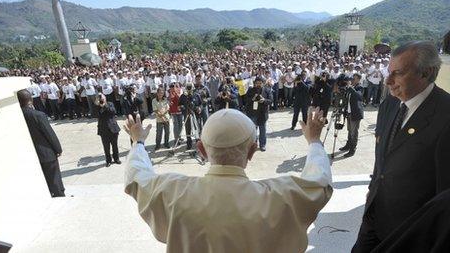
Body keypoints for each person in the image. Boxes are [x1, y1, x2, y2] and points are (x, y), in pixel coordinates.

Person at [123, 107, 332, 252]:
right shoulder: (280, 196)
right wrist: (314, 141)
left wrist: (138, 142)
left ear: (201, 150)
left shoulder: (173, 192)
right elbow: (320, 183)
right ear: (252, 151)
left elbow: (136, 177)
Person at [352, 41, 450, 252]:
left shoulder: (446, 115)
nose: (388, 81)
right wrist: (373, 189)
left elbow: (445, 193)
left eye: (398, 73)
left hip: (410, 230)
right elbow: (382, 160)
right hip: (374, 216)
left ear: (426, 72)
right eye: (388, 72)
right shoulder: (388, 105)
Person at [17, 89, 65, 197]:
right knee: (55, 180)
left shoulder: (17, 116)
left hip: (30, 155)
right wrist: (58, 149)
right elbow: (49, 134)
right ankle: (59, 196)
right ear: (31, 100)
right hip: (46, 153)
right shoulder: (38, 115)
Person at [339, 73, 364, 158]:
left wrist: (351, 88)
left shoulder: (359, 87)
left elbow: (359, 97)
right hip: (349, 112)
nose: (352, 79)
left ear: (358, 79)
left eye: (354, 78)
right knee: (349, 130)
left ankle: (352, 149)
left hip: (356, 113)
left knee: (354, 132)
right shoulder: (350, 88)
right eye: (352, 78)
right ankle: (348, 145)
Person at [245, 76, 273, 151]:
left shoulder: (267, 90)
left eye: (260, 83)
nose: (258, 85)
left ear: (263, 83)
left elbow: (270, 101)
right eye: (257, 83)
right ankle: (254, 145)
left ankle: (262, 145)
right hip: (252, 113)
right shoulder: (250, 90)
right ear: (254, 83)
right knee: (253, 130)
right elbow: (246, 100)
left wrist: (264, 100)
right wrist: (252, 99)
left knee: (262, 130)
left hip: (262, 114)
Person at [96, 93, 121, 167]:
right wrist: (98, 105)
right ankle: (108, 160)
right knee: (106, 147)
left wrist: (104, 105)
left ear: (105, 98)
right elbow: (96, 114)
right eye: (99, 98)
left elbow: (113, 111)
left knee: (115, 145)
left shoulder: (110, 104)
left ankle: (116, 159)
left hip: (113, 128)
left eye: (102, 97)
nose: (101, 99)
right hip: (103, 129)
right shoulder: (97, 106)